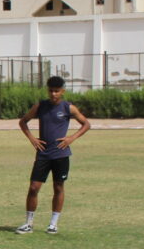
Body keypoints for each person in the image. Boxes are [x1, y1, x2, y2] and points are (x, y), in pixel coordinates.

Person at [14, 76, 90, 235]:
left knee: (58, 187)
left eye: (57, 91)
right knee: (33, 188)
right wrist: (32, 139)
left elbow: (86, 124)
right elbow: (23, 121)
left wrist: (71, 138)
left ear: (63, 91)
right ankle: (28, 224)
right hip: (43, 154)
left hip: (61, 154)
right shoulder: (40, 106)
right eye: (51, 91)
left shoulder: (68, 108)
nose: (53, 94)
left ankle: (53, 224)